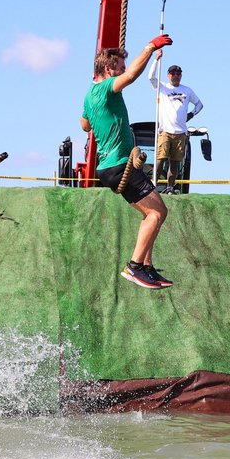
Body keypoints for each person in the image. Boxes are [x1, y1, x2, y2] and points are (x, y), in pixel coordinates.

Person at [81, 35, 174, 290]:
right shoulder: (104, 88)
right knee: (157, 212)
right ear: (108, 69)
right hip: (120, 163)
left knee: (152, 214)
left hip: (108, 167)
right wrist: (150, 47)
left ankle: (146, 266)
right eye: (119, 67)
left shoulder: (89, 95)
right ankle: (134, 267)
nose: (123, 71)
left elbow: (84, 124)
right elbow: (132, 76)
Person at [148, 58, 204, 195]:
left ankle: (170, 187)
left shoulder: (187, 90)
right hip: (165, 131)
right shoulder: (162, 87)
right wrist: (156, 59)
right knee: (160, 158)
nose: (175, 75)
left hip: (180, 132)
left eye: (178, 73)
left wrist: (191, 115)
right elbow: (151, 77)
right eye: (173, 73)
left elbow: (199, 104)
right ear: (168, 75)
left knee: (175, 162)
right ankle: (152, 185)